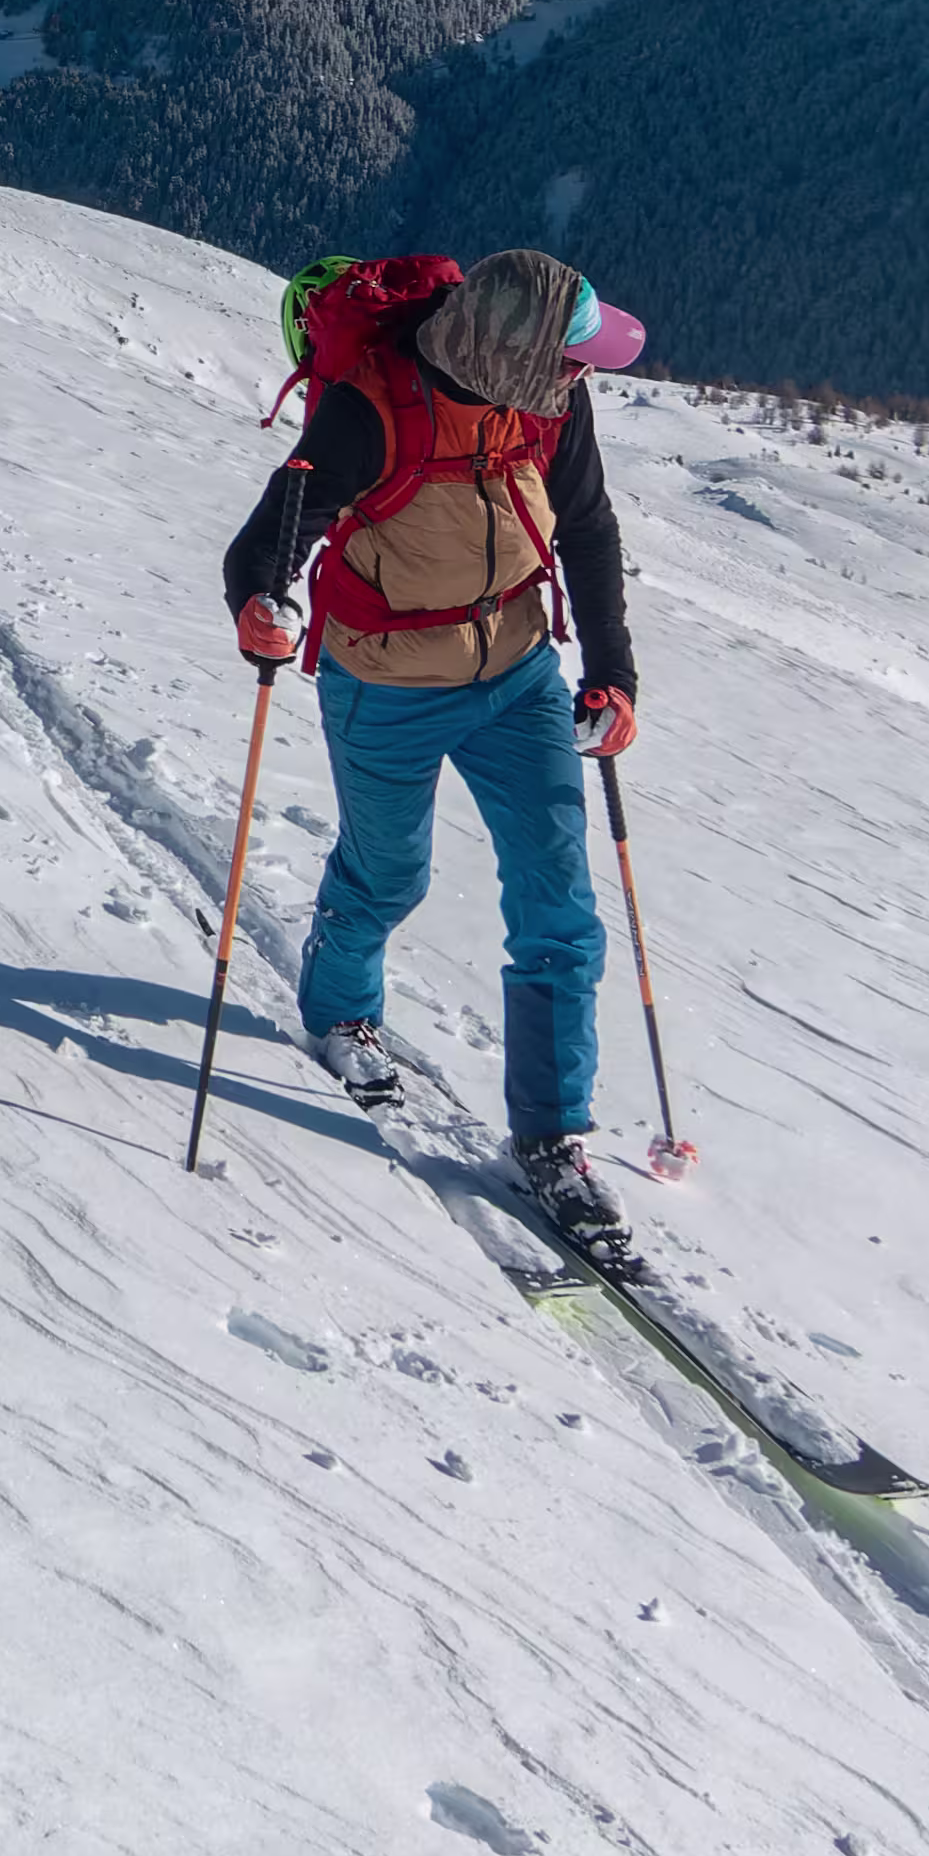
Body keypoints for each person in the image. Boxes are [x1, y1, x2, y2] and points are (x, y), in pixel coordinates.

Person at [218, 249, 652, 1239]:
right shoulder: (371, 409)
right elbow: (272, 534)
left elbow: (584, 527)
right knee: (386, 876)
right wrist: (258, 600)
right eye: (575, 355)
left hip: (520, 672)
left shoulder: (552, 403)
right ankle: (338, 1016)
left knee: (561, 910)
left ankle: (549, 1137)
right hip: (389, 681)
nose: (586, 371)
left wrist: (613, 671)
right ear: (517, 356)